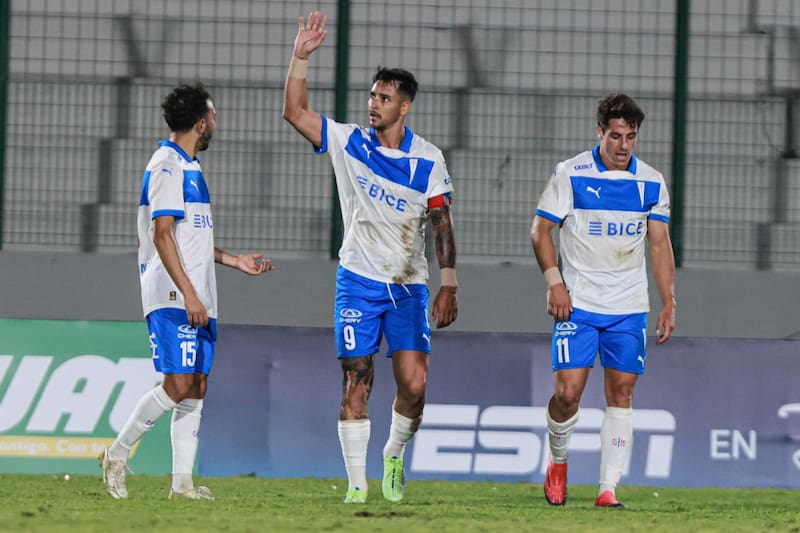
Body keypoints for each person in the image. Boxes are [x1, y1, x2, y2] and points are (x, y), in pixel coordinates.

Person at [282, 12, 458, 504]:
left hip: (408, 286)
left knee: (415, 384)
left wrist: (450, 283)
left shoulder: (428, 160)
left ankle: (394, 453)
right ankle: (358, 487)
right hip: (357, 280)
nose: (373, 104)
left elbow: (441, 222)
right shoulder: (349, 141)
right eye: (372, 96)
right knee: (356, 379)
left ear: (405, 106)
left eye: (383, 98)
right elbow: (295, 112)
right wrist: (300, 56)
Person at [98, 83, 273, 500]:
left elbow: (186, 239)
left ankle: (182, 486)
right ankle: (116, 454)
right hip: (173, 295)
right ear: (200, 123)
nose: (215, 124)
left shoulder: (189, 167)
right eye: (213, 117)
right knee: (177, 384)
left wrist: (234, 262)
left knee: (196, 384)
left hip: (198, 295)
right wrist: (190, 295)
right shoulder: (167, 166)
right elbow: (162, 237)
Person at [530, 93, 676, 508]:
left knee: (623, 392)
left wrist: (669, 300)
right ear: (599, 132)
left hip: (628, 305)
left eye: (631, 136)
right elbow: (540, 231)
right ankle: (558, 461)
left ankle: (607, 488)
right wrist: (554, 282)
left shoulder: (650, 182)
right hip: (578, 303)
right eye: (615, 136)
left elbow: (660, 245)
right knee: (568, 393)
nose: (623, 145)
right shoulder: (570, 173)